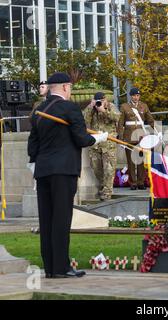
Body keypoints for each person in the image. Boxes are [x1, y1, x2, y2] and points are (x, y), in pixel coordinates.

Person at [27, 72, 109, 278]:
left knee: (47, 220)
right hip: (63, 171)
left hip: (43, 171)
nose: (70, 90)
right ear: (64, 87)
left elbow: (32, 145)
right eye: (70, 87)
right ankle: (61, 268)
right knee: (61, 219)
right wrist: (100, 138)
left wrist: (34, 165)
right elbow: (82, 139)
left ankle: (51, 268)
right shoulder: (70, 108)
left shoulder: (39, 110)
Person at [83, 92, 120, 201]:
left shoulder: (111, 107)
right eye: (97, 101)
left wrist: (104, 111)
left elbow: (117, 118)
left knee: (109, 169)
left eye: (101, 100)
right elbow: (84, 121)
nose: (99, 103)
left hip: (108, 144)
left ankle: (107, 193)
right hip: (95, 144)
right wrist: (91, 107)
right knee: (96, 168)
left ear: (105, 100)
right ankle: (103, 187)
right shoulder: (91, 109)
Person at [118, 87, 154, 190]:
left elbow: (150, 119)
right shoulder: (124, 106)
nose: (136, 97)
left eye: (138, 95)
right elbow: (120, 123)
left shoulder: (144, 106)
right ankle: (133, 183)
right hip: (128, 136)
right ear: (131, 96)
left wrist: (156, 131)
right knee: (131, 161)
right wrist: (121, 138)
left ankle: (141, 182)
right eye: (134, 95)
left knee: (140, 160)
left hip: (141, 136)